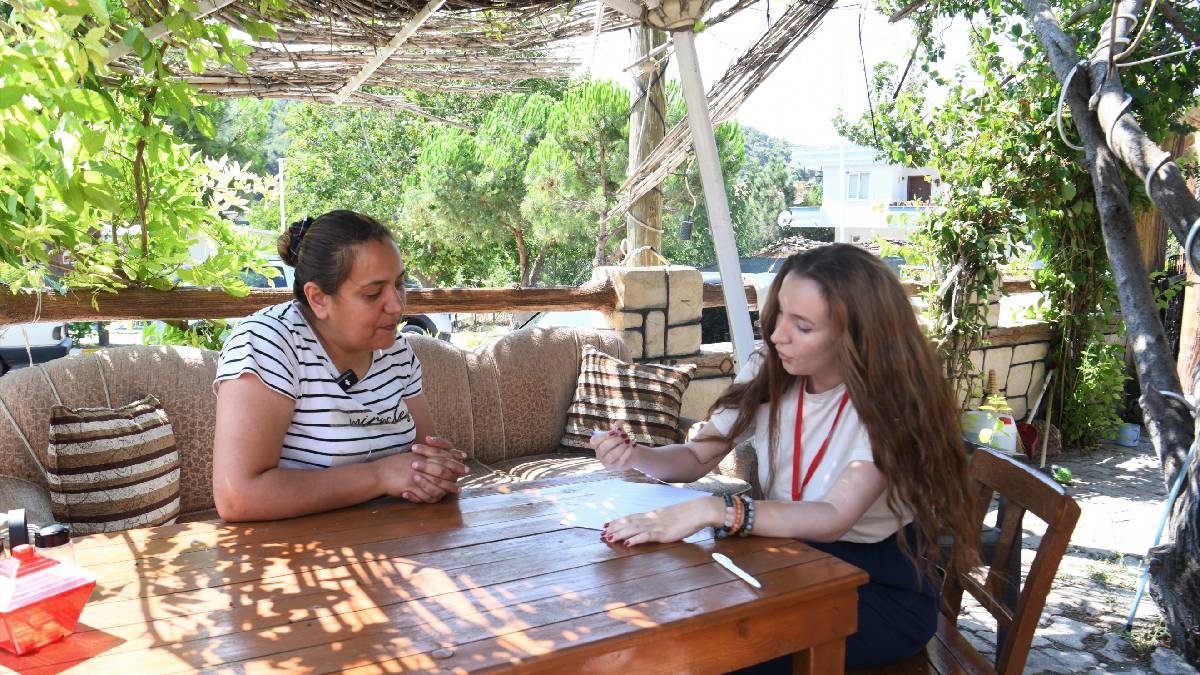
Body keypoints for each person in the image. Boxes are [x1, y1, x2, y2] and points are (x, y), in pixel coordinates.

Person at [590, 243, 978, 670]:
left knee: (714, 654)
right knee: (665, 624)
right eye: (778, 316)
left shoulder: (891, 403)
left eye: (803, 326)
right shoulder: (770, 367)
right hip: (787, 557)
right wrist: (636, 456)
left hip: (876, 585)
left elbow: (833, 516)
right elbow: (699, 456)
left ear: (856, 335)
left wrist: (715, 510)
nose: (777, 335)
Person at [212, 210, 469, 522]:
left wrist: (435, 470)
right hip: (302, 547)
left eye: (399, 284)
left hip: (397, 537)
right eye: (373, 293)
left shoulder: (396, 351)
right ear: (319, 299)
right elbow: (238, 496)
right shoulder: (269, 342)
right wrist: (379, 476)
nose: (397, 305)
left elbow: (423, 453)